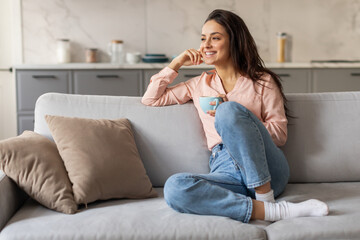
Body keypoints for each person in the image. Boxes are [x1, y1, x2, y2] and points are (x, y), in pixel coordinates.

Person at [141, 9, 329, 223]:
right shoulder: (198, 85)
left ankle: (265, 196)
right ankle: (271, 211)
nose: (206, 45)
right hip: (226, 171)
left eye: (215, 38)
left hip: (268, 168)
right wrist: (177, 62)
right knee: (175, 188)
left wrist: (239, 119)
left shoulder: (263, 81)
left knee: (228, 111)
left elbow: (279, 135)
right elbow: (150, 99)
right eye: (203, 39)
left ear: (234, 41)